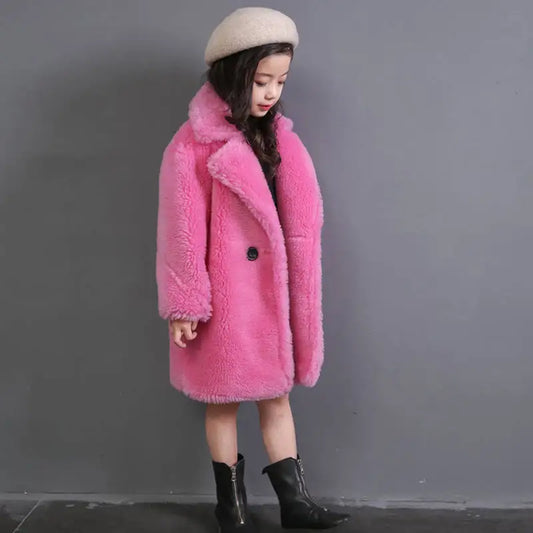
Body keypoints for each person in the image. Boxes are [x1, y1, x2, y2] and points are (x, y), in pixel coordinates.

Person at [155, 6, 350, 532]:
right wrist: (184, 303)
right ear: (233, 74)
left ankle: (295, 504)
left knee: (276, 395)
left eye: (280, 82)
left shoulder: (280, 139)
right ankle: (232, 508)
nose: (270, 93)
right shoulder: (192, 145)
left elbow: (299, 218)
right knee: (222, 400)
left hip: (272, 296)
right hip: (225, 296)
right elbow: (181, 230)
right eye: (261, 80)